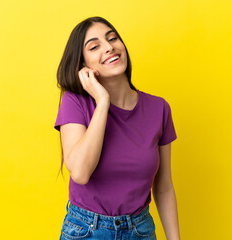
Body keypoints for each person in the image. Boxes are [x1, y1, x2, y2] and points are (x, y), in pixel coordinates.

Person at [54, 16, 181, 240]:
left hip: (140, 230)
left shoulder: (158, 108)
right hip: (86, 231)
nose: (109, 47)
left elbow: (164, 187)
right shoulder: (75, 102)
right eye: (94, 46)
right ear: (83, 66)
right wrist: (102, 101)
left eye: (112, 38)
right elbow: (81, 173)